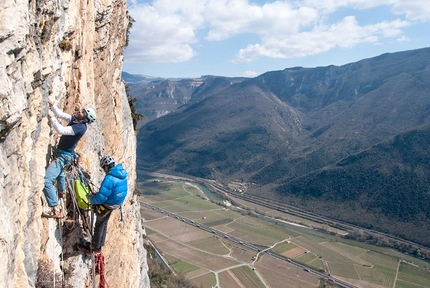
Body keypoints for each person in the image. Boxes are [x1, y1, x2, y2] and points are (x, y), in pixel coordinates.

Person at [42, 101, 97, 218]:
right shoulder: (76, 120)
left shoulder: (80, 128)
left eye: (82, 112)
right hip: (64, 154)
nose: (79, 111)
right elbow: (61, 115)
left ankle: (55, 208)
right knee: (60, 173)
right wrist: (53, 106)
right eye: (81, 110)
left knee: (47, 180)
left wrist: (51, 118)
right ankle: (61, 192)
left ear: (86, 119)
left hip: (63, 156)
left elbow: (61, 130)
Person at [77, 155, 128, 255]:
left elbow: (101, 198)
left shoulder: (110, 178)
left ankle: (94, 248)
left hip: (108, 204)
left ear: (106, 166)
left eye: (103, 168)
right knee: (104, 222)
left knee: (99, 224)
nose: (104, 170)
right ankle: (99, 246)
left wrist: (91, 198)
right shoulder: (121, 174)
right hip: (115, 203)